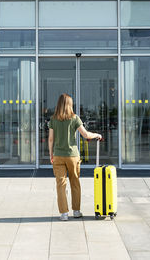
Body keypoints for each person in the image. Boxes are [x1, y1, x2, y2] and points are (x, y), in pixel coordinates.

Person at [48, 93, 102, 221]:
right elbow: (86, 135)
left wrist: (51, 154)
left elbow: (51, 139)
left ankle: (64, 214)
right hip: (73, 156)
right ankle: (76, 211)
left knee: (60, 185)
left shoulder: (53, 119)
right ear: (70, 105)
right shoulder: (74, 118)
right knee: (75, 183)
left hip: (58, 156)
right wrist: (96, 135)